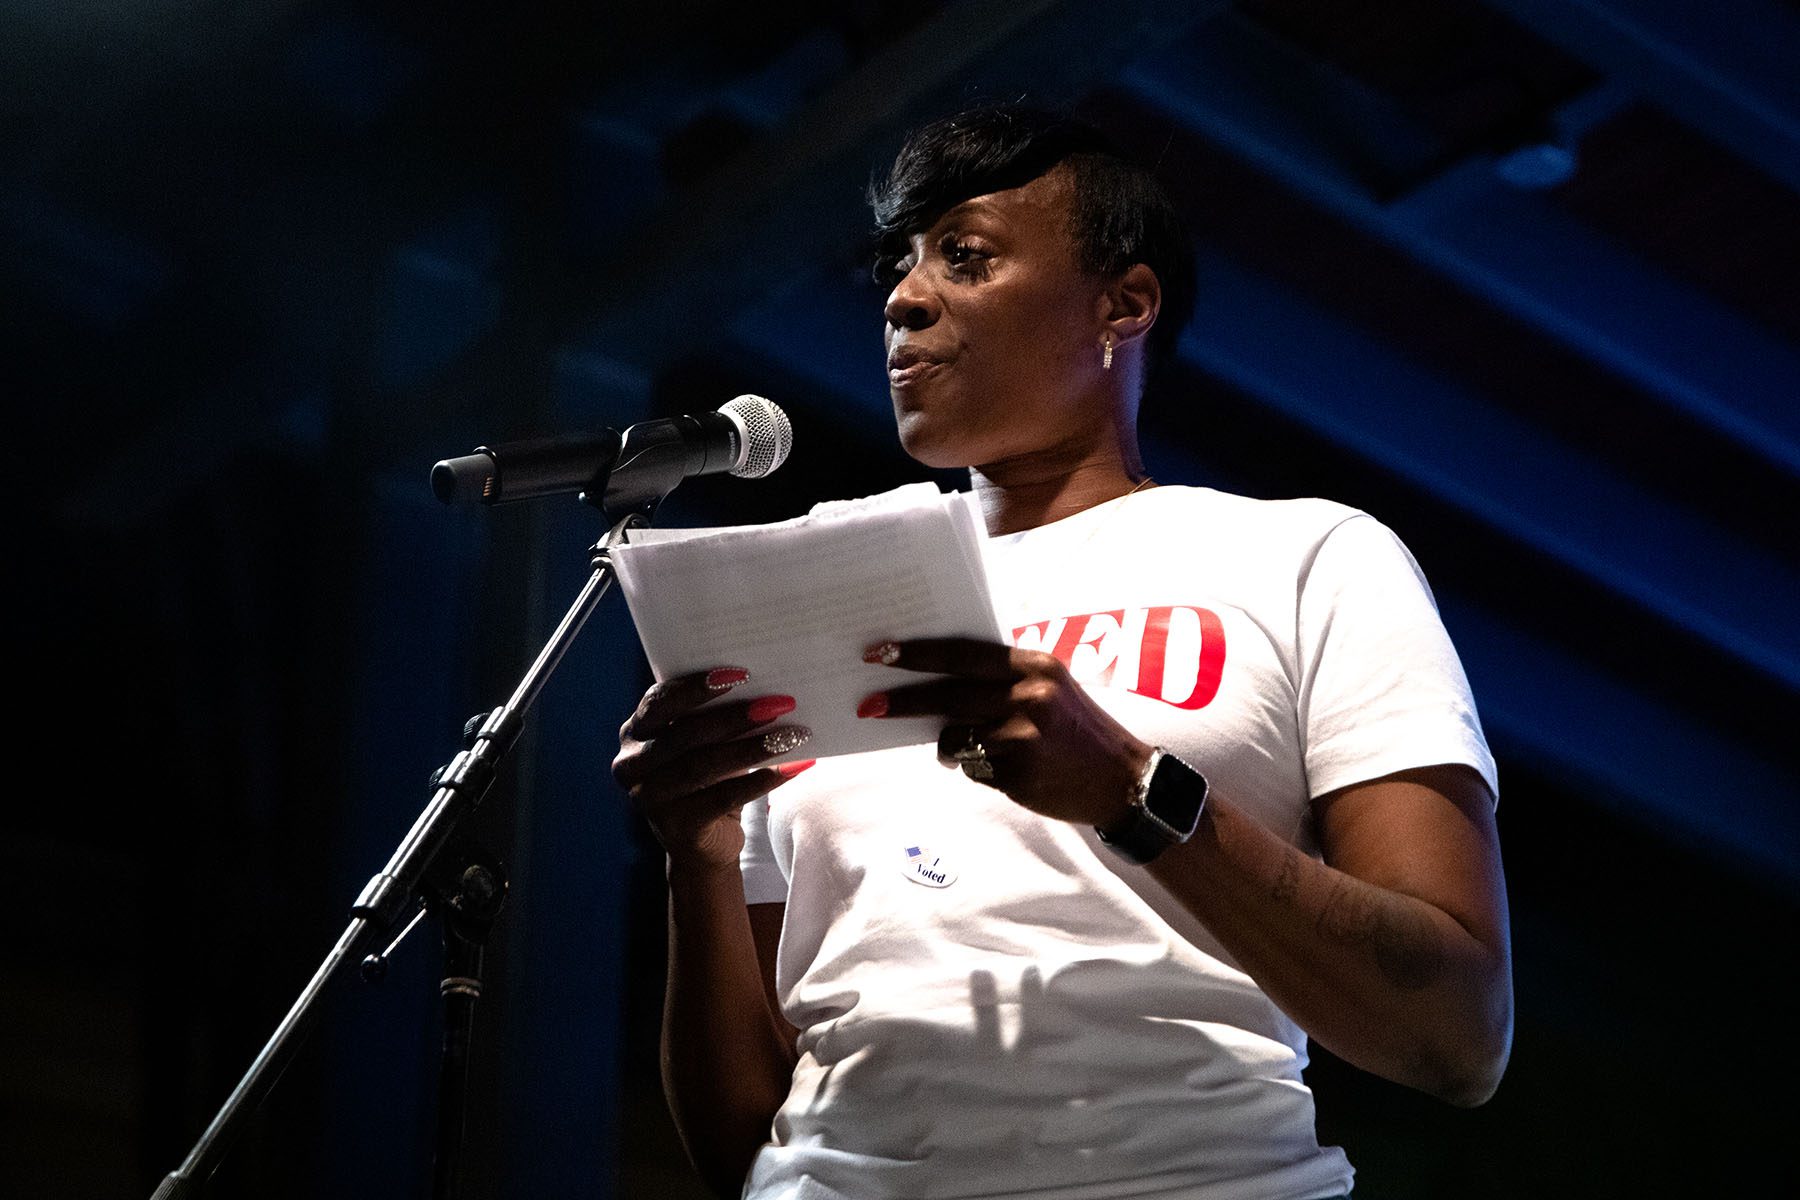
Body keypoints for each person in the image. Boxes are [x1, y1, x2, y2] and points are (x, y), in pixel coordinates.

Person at [612, 106, 1512, 1200]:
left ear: (1122, 304)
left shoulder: (1308, 555)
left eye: (966, 256)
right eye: (900, 263)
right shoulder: (815, 581)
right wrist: (696, 858)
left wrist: (1136, 793)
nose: (902, 297)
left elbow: (1457, 1034)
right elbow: (741, 1146)